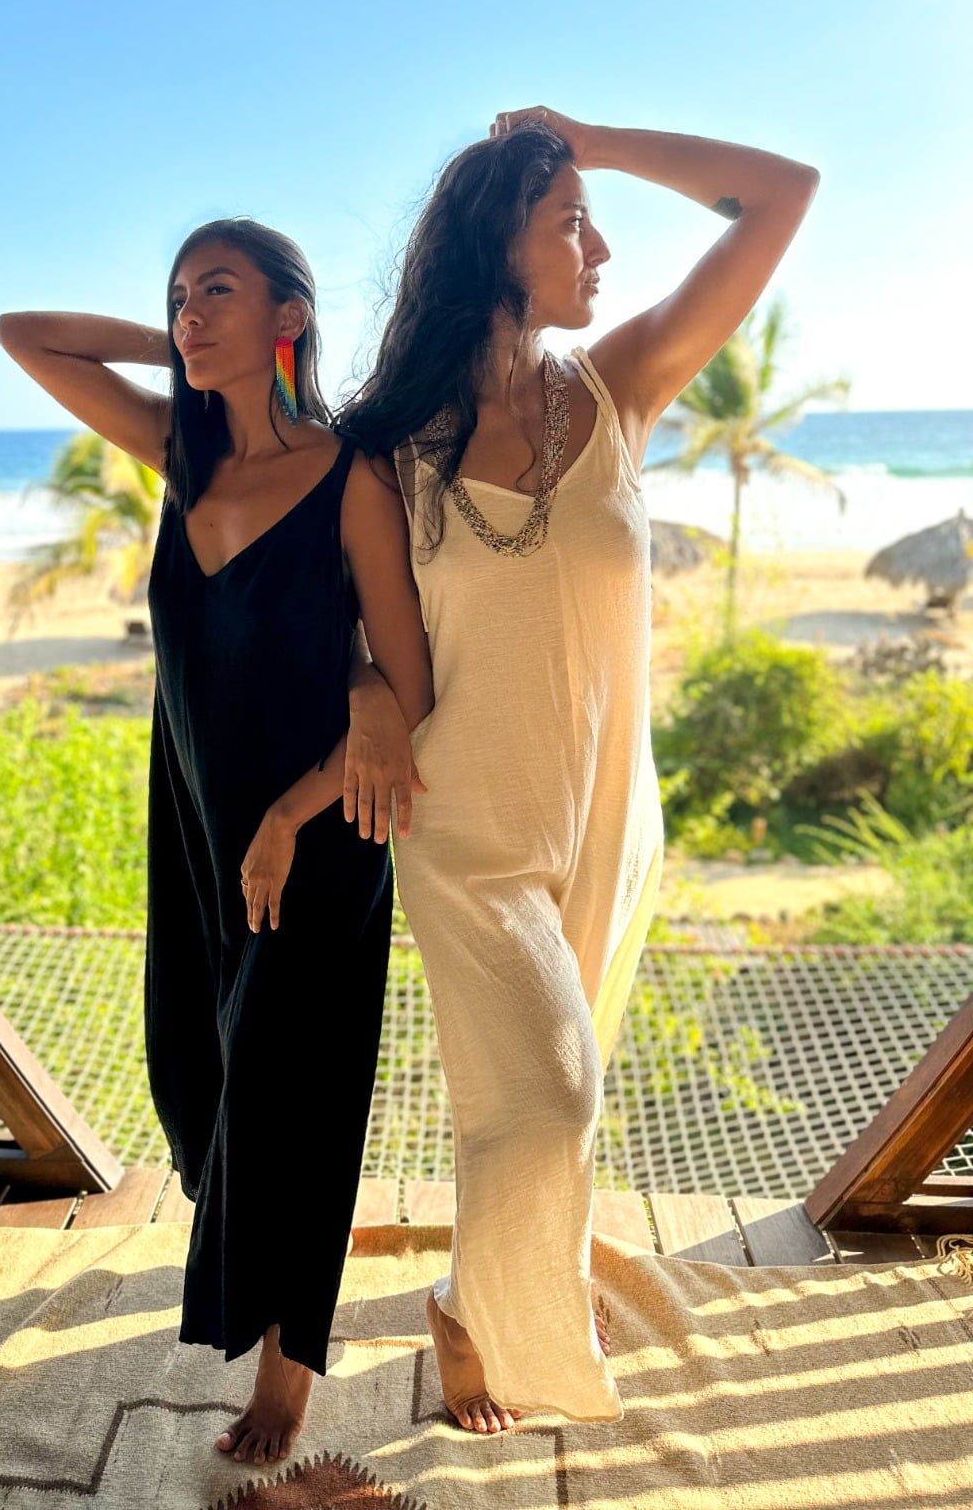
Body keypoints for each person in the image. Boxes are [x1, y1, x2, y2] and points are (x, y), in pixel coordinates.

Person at [338, 109, 819, 1431]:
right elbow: (311, 624)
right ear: (498, 245)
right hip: (466, 831)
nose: (600, 248)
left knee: (532, 1108)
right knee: (552, 1098)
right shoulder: (384, 449)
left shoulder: (620, 388)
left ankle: (462, 1303)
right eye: (568, 224)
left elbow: (781, 193)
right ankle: (514, 1336)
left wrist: (586, 142)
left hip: (609, 816)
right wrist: (365, 685)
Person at [0, 217, 432, 1468]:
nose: (189, 311)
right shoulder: (181, 456)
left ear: (289, 314)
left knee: (296, 1092)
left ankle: (291, 1368)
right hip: (193, 827)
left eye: (218, 292)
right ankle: (264, 1298)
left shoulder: (351, 474)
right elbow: (25, 337)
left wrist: (293, 814)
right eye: (180, 293)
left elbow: (409, 678)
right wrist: (187, 353)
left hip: (318, 833)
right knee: (205, 1077)